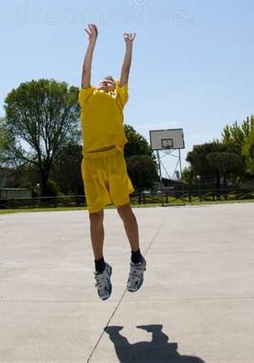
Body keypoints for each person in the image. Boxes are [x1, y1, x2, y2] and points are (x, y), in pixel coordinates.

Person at [79, 23, 146, 300]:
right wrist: (92, 42)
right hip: (90, 162)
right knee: (95, 215)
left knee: (123, 209)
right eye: (103, 80)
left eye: (110, 80)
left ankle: (137, 259)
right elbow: (86, 72)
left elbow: (125, 72)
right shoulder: (88, 96)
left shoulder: (117, 97)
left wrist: (129, 46)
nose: (107, 81)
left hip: (113, 159)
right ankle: (100, 268)